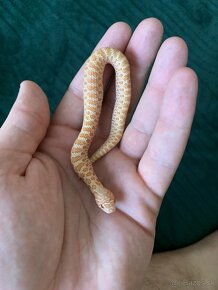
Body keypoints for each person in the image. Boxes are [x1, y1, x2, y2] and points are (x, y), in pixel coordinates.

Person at [0, 18, 215, 290]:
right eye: (107, 204)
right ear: (103, 193)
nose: (108, 208)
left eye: (106, 205)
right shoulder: (87, 172)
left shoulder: (85, 167)